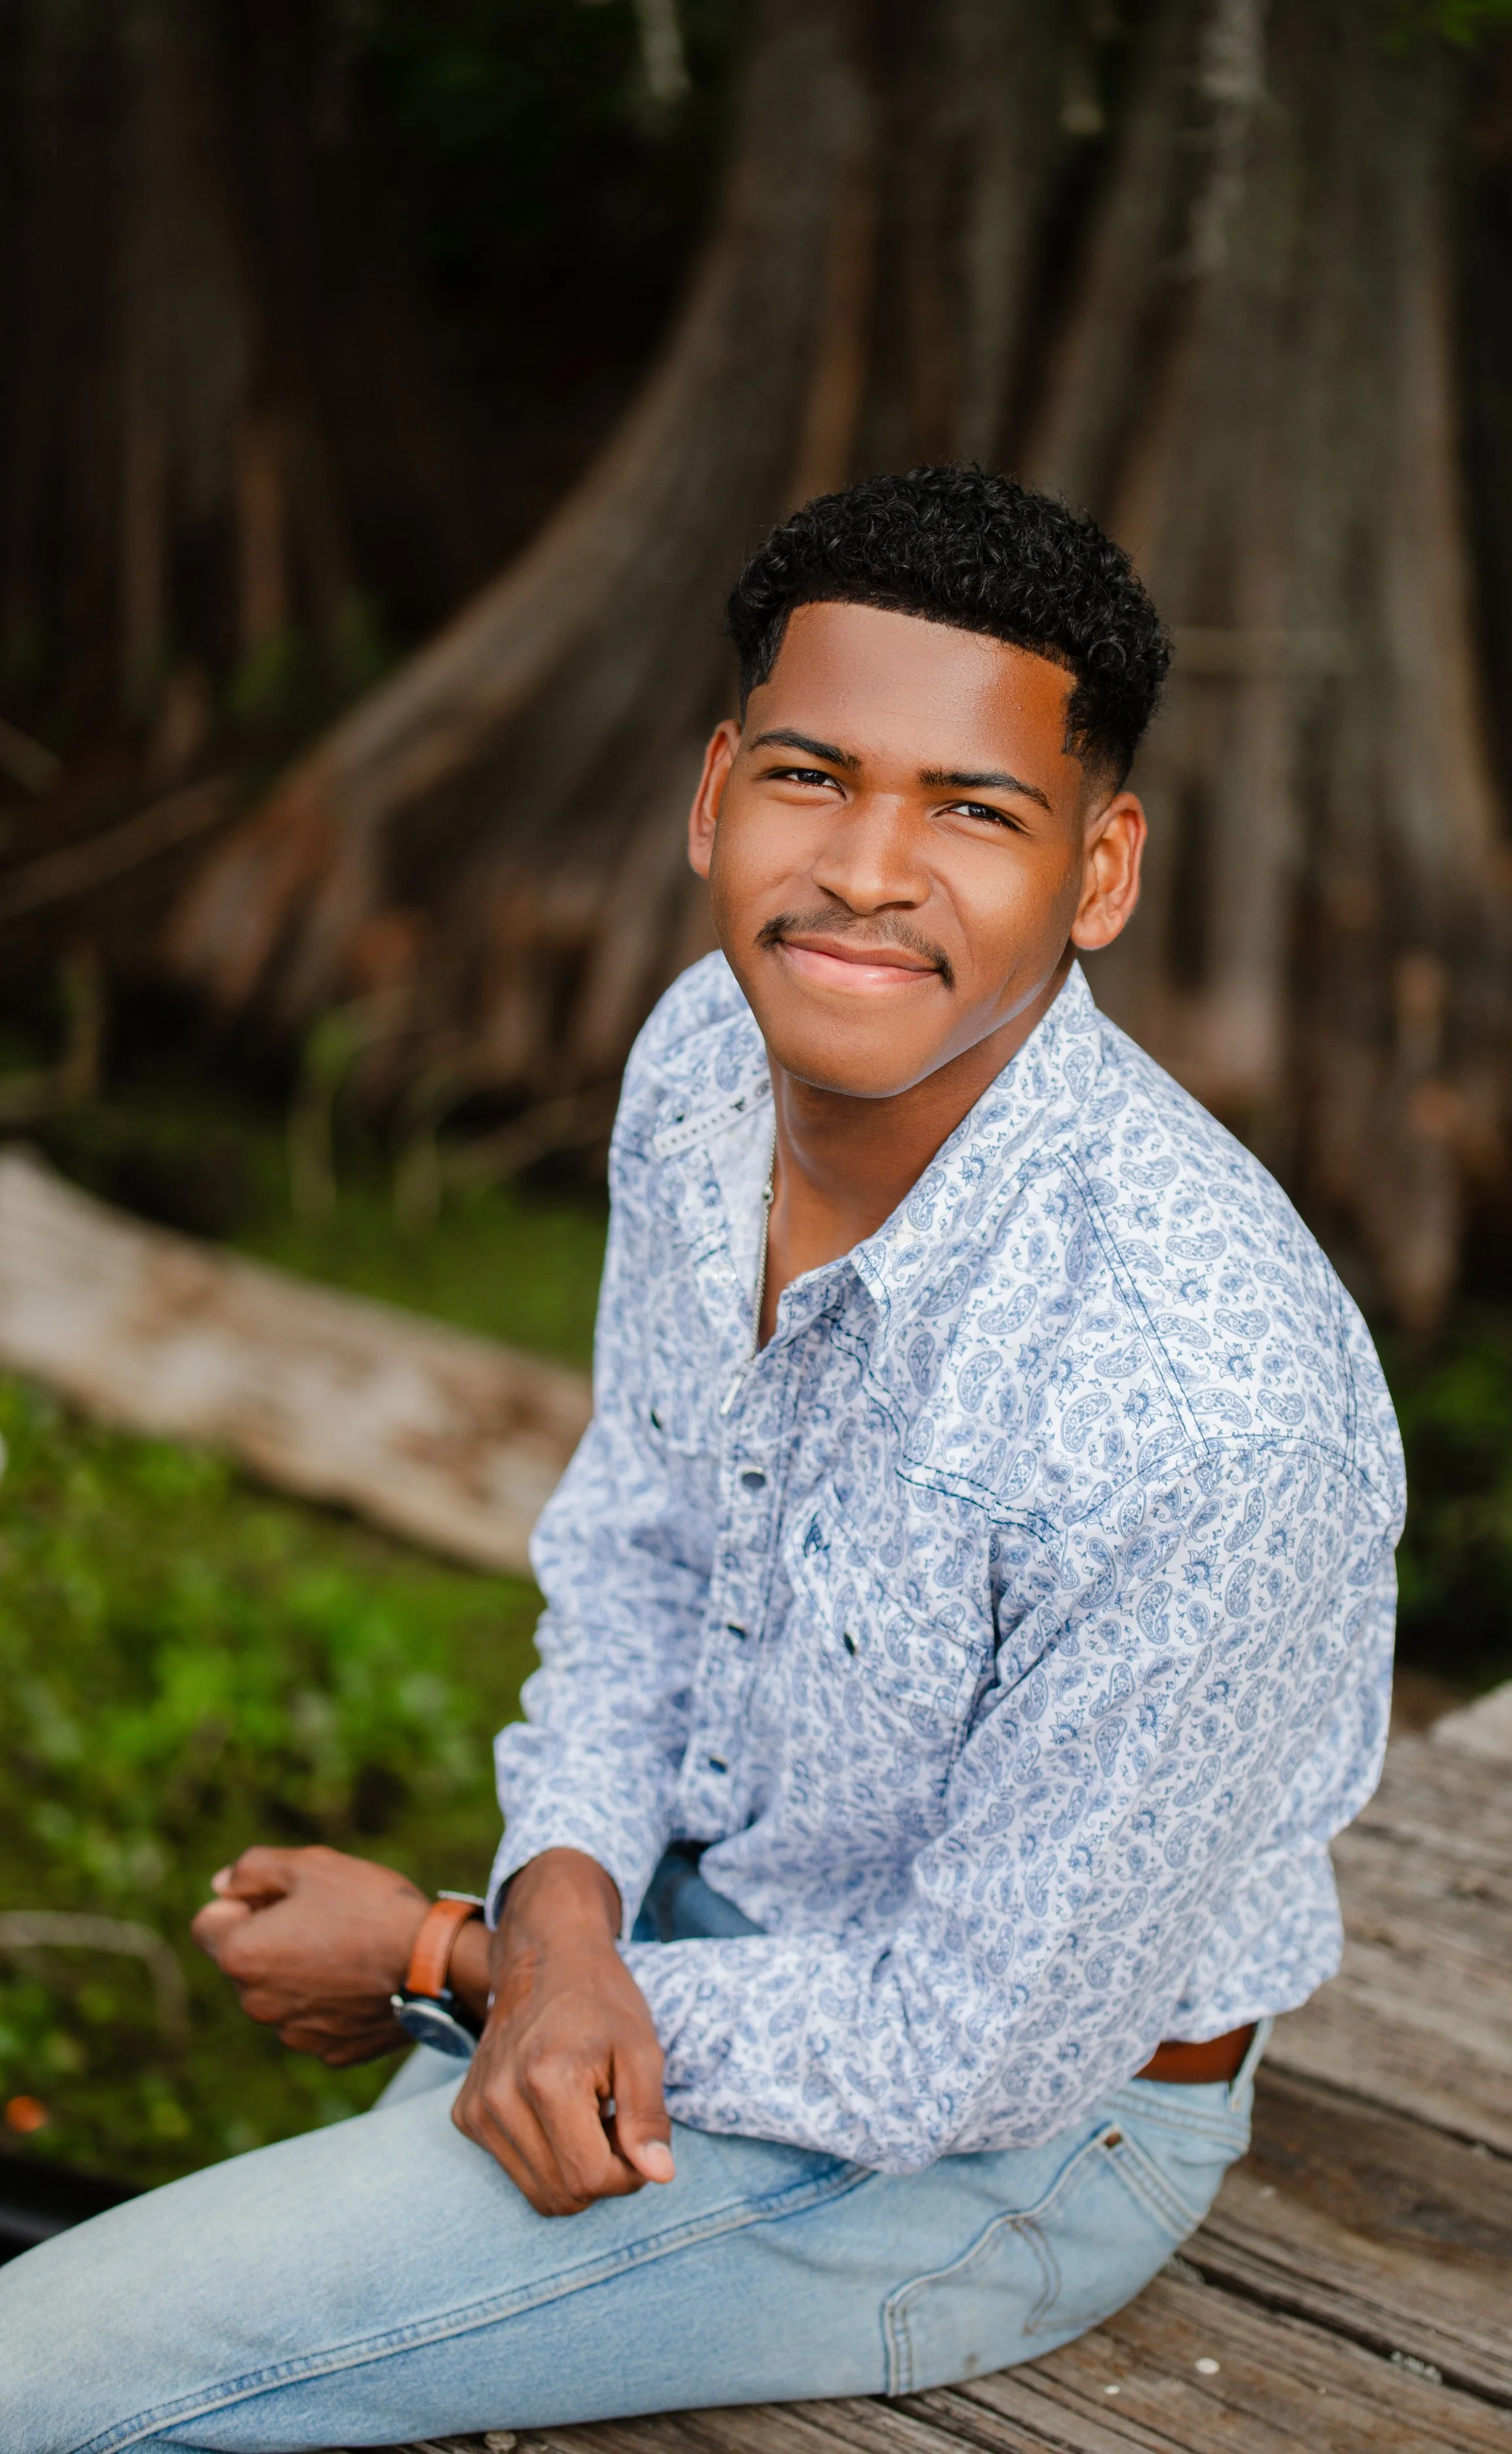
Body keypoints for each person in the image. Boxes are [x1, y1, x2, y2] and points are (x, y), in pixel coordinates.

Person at [0, 467, 1403, 2451]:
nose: (862, 868)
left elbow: (966, 2047)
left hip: (1002, 2152)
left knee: (43, 2367)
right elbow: (643, 1549)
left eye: (973, 809)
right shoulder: (696, 1064)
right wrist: (562, 1916)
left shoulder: (1201, 1400)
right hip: (660, 1939)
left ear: (1100, 872)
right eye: (813, 776)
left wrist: (445, 1956)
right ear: (709, 791)